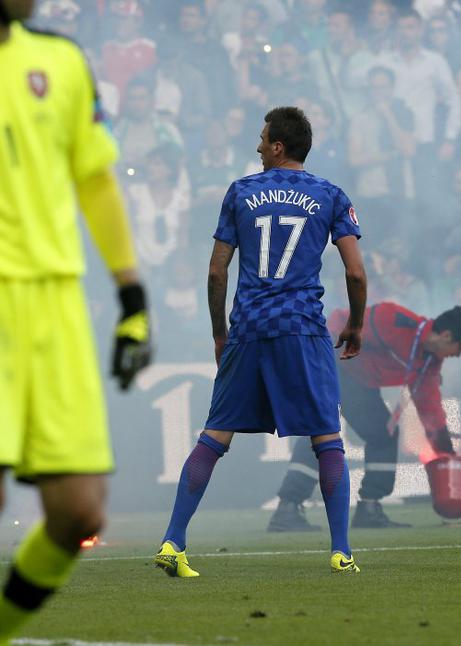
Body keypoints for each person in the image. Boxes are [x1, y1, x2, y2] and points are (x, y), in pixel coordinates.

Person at [152, 107, 367, 576]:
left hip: (249, 328)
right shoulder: (331, 195)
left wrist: (219, 333)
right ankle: (341, 552)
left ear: (278, 146)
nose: (257, 146)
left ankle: (172, 541)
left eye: (262, 138)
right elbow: (355, 272)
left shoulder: (241, 192)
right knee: (327, 439)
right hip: (302, 328)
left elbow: (216, 271)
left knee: (214, 436)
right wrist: (355, 324)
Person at [0, 1, 151, 639]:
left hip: (55, 300)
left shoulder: (61, 59)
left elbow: (94, 178)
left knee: (78, 512)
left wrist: (131, 297)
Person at [267, 303, 461, 531]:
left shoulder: (429, 363)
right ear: (446, 336)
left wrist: (446, 453)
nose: (459, 355)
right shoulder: (394, 318)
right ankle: (288, 509)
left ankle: (368, 509)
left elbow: (430, 409)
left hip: (359, 382)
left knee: (382, 435)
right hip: (328, 359)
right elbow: (342, 324)